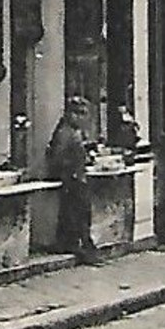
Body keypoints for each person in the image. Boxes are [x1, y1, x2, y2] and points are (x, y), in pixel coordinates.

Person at [47, 96, 100, 264]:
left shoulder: (74, 132)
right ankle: (83, 248)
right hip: (71, 179)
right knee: (78, 214)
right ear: (71, 114)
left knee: (76, 213)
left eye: (84, 114)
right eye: (79, 114)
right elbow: (57, 157)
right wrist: (71, 169)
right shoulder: (65, 133)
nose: (82, 118)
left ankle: (73, 244)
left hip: (77, 177)